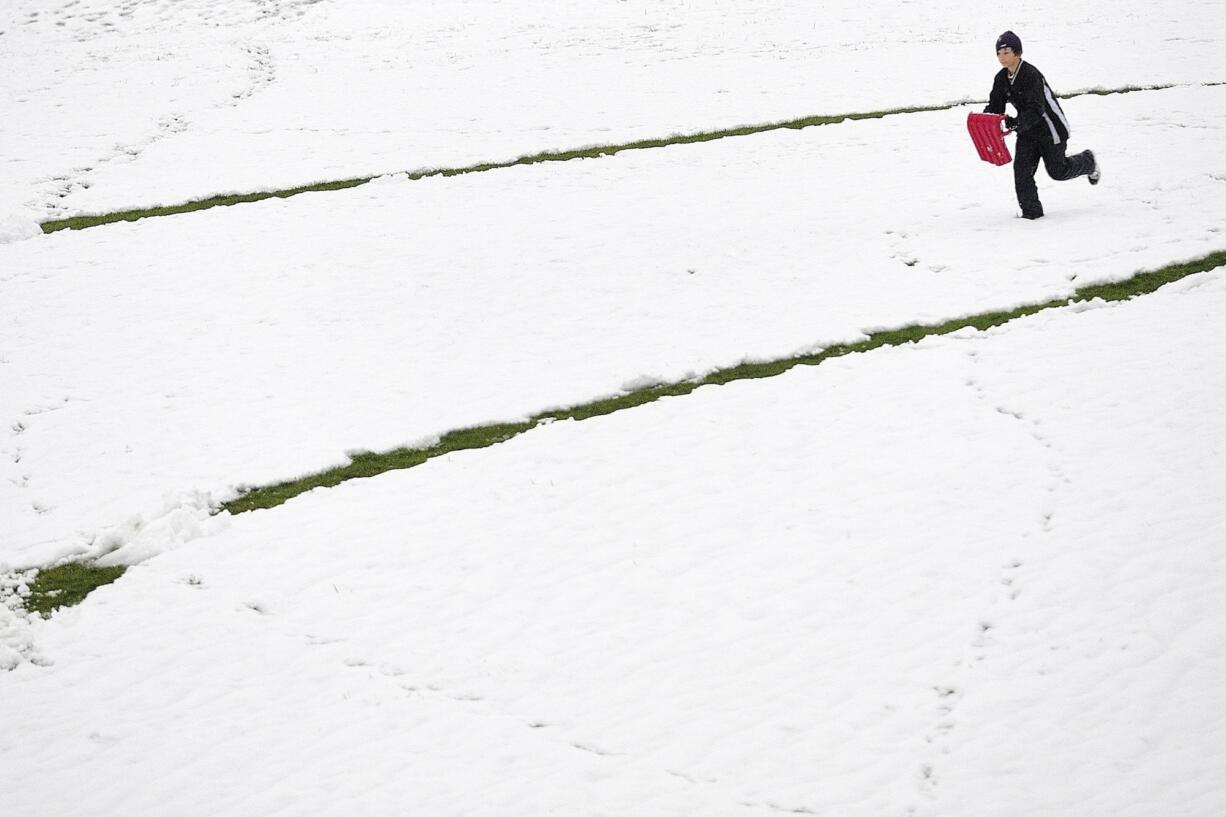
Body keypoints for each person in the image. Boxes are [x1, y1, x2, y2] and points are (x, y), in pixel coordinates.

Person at [984, 31, 1100, 220]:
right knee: (1022, 172)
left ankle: (1088, 161)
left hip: (1050, 129)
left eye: (1006, 52)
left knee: (1058, 171)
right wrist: (987, 119)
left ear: (1018, 53)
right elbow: (996, 105)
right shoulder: (1001, 78)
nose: (1002, 57)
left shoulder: (1030, 75)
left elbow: (1036, 109)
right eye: (999, 53)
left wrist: (1015, 124)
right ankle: (1032, 214)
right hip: (1027, 131)